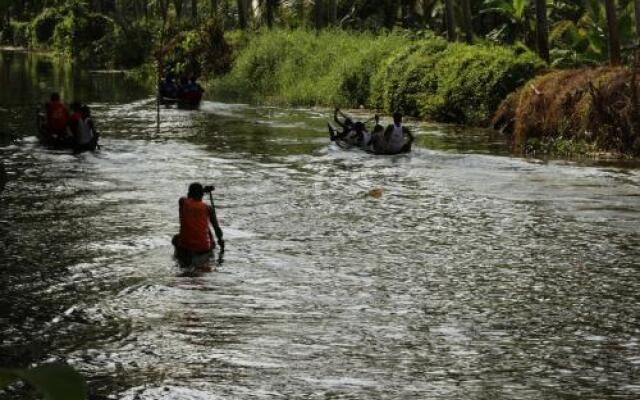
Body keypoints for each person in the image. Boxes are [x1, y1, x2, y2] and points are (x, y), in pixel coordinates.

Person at [173, 183, 224, 268]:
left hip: (185, 247)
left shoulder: (183, 202)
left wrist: (203, 191)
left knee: (176, 238)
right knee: (211, 238)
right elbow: (217, 230)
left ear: (189, 194)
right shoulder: (208, 208)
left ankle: (179, 258)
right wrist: (221, 241)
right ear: (202, 195)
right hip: (202, 248)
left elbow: (188, 197)